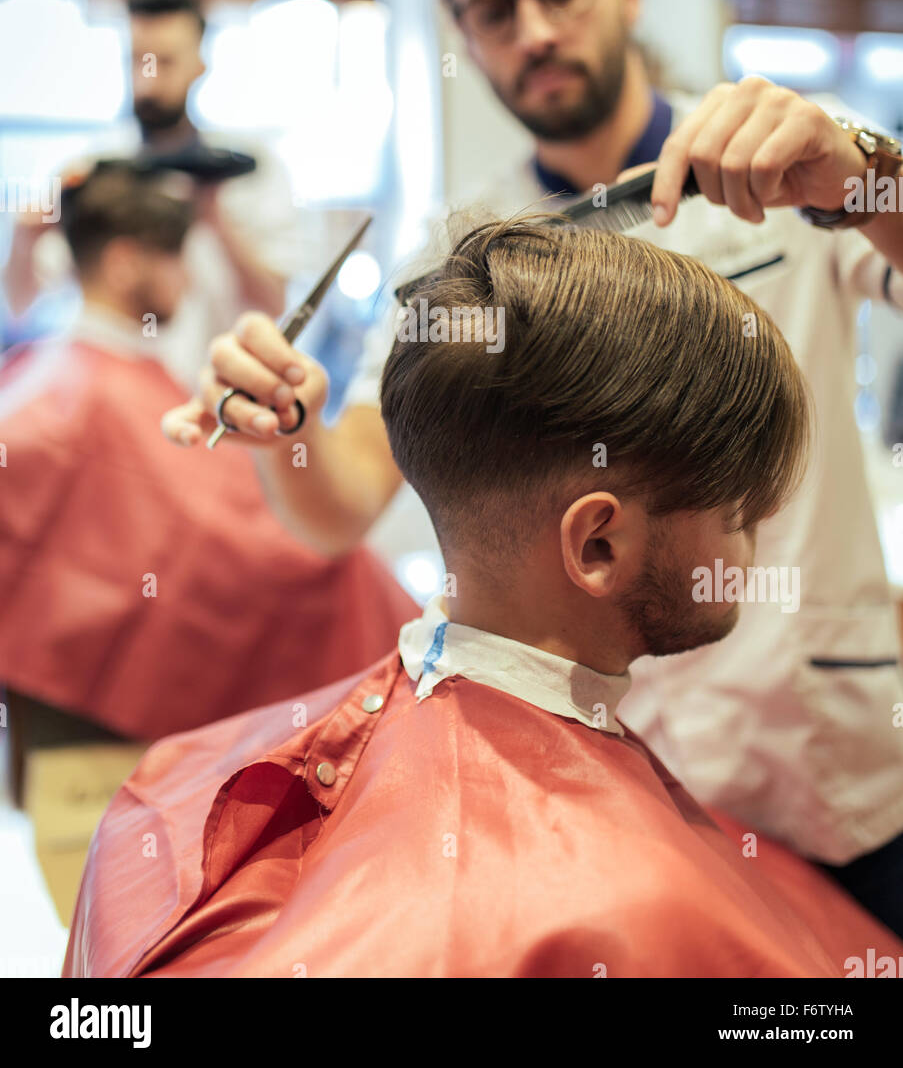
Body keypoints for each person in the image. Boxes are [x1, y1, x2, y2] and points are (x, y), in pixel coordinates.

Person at [161, 0, 903, 932]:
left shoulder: (788, 162)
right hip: (585, 772)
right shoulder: (461, 251)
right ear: (464, 36)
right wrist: (288, 430)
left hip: (819, 755)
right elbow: (341, 501)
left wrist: (862, 175)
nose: (535, 30)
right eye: (495, 8)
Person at [64, 219, 903, 978]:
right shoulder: (632, 913)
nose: (753, 544)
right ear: (597, 545)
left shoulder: (176, 774)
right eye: (738, 514)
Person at [0, 160, 414, 924]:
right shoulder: (72, 403)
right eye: (175, 259)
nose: (189, 283)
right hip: (95, 741)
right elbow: (259, 547)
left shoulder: (49, 376)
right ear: (128, 262)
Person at [1, 0, 311, 388]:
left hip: (218, 405)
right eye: (137, 61)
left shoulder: (252, 173)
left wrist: (215, 221)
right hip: (112, 405)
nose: (147, 82)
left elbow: (277, 304)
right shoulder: (93, 174)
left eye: (165, 62)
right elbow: (20, 307)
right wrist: (26, 236)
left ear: (199, 63)